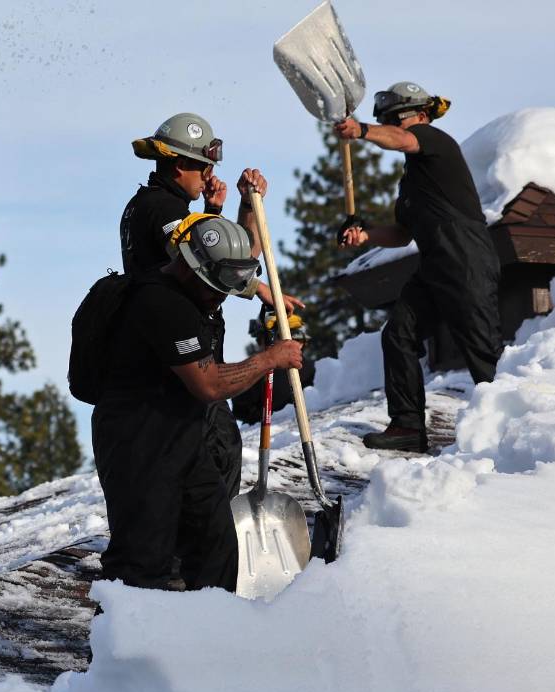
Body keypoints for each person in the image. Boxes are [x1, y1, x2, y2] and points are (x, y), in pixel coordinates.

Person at [94, 215, 304, 592]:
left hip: (182, 440)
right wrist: (269, 359)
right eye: (216, 288)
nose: (221, 296)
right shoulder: (163, 304)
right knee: (140, 566)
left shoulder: (190, 289)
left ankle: (208, 640)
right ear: (192, 269)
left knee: (215, 543)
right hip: (138, 446)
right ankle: (119, 648)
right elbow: (207, 384)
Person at [124, 113, 302, 494]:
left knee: (207, 460)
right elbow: (214, 266)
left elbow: (228, 258)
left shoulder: (150, 205)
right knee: (219, 453)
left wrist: (233, 210)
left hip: (165, 365)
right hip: (183, 363)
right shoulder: (163, 212)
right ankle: (209, 548)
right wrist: (259, 288)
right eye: (203, 167)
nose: (208, 176)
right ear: (179, 165)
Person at [336, 82, 502, 452]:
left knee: (483, 353)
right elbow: (400, 235)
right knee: (398, 334)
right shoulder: (412, 180)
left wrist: (362, 130)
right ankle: (408, 427)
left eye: (399, 119)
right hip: (433, 266)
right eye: (389, 121)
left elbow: (403, 140)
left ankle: (510, 429)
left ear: (422, 116)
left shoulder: (435, 143)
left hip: (466, 262)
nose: (395, 126)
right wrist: (365, 235)